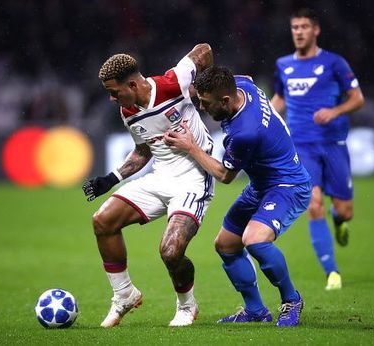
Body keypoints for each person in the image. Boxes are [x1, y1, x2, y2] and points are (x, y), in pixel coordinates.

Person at [164, 66, 312, 327]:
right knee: (226, 245)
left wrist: (190, 147)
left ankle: (292, 300)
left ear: (225, 100)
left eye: (206, 103)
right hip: (261, 185)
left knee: (254, 240)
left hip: (287, 185)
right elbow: (248, 78)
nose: (201, 107)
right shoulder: (241, 85)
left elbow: (224, 175)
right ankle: (256, 311)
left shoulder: (245, 133)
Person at [82, 43, 215, 327]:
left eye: (114, 92)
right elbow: (143, 151)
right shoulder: (128, 110)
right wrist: (112, 179)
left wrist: (206, 90)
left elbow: (203, 50)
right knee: (103, 221)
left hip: (193, 178)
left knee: (170, 251)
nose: (111, 99)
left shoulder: (173, 82)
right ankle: (124, 295)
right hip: (160, 177)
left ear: (132, 84)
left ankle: (187, 306)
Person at [271, 8, 365, 290]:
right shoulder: (283, 65)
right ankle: (332, 273)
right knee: (313, 205)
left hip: (333, 144)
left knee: (344, 209)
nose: (298, 32)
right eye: (294, 27)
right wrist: (264, 121)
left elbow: (358, 98)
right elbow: (279, 98)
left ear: (316, 30)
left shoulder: (334, 63)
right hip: (301, 146)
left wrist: (335, 111)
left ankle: (340, 220)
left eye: (303, 27)